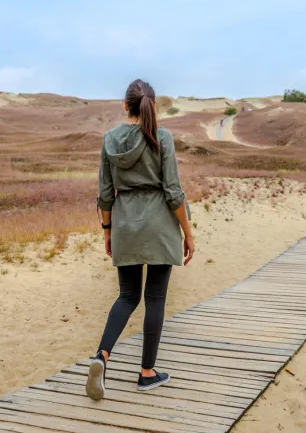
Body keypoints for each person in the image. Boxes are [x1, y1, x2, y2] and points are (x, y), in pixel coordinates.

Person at [87, 79, 195, 401]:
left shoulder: (110, 139)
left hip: (125, 225)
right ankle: (147, 373)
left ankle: (101, 357)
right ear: (153, 106)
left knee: (127, 296)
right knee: (156, 299)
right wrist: (188, 233)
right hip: (160, 225)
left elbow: (105, 194)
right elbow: (173, 192)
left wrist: (108, 231)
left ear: (125, 106)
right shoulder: (162, 137)